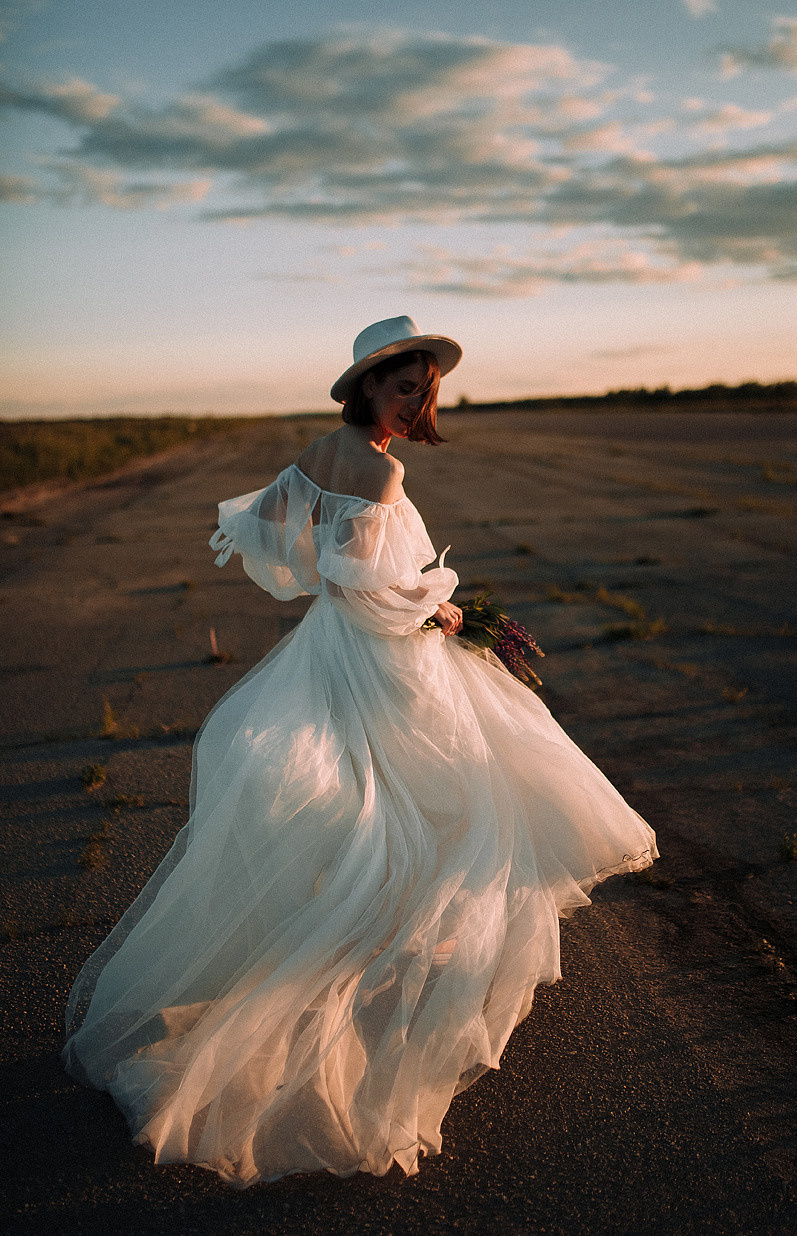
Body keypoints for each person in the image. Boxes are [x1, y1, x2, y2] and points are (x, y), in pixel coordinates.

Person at [63, 315, 658, 1188]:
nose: (414, 403)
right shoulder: (381, 470)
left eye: (424, 390)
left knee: (383, 798)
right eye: (402, 387)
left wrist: (325, 574)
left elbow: (271, 526)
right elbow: (359, 584)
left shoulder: (319, 449)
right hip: (382, 656)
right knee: (446, 799)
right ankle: (383, 954)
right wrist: (436, 609)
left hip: (330, 648)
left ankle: (367, 940)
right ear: (368, 385)